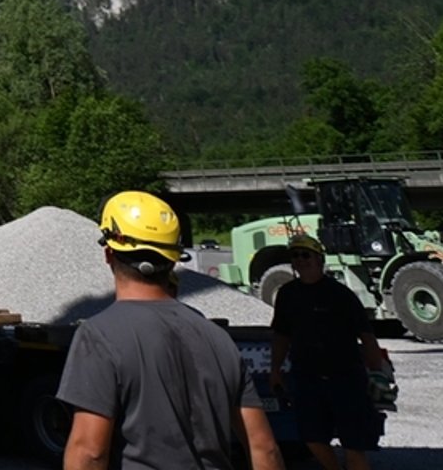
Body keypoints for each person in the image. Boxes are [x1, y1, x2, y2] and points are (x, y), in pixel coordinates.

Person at [58, 191, 281, 470]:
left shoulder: (99, 336)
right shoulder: (218, 338)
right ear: (173, 259)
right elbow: (265, 449)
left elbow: (89, 453)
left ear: (109, 253)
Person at [270, 233, 391, 470]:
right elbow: (281, 335)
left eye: (306, 254)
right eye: (295, 255)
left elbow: (366, 336)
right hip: (307, 378)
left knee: (354, 443)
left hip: (346, 378)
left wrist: (378, 374)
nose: (300, 259)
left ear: (319, 259)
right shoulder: (287, 294)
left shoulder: (341, 295)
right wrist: (275, 369)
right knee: (311, 437)